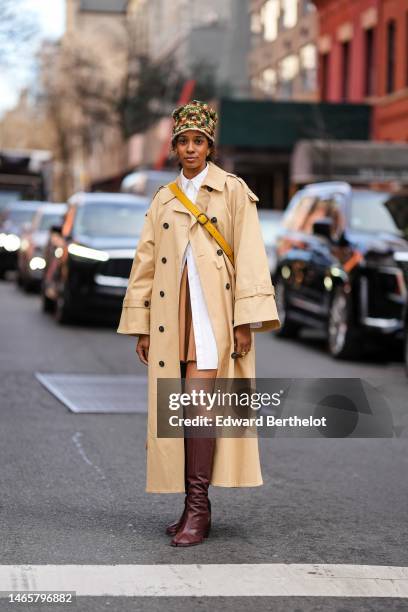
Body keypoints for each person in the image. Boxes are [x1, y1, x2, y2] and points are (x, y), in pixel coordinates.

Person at [117, 100, 280, 547]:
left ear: (210, 145)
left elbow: (249, 255)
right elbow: (145, 263)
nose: (191, 148)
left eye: (199, 141)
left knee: (200, 404)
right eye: (184, 141)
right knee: (180, 409)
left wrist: (245, 321)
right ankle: (190, 505)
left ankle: (198, 508)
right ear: (174, 147)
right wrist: (143, 323)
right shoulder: (164, 199)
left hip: (214, 314)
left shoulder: (232, 191)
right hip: (173, 315)